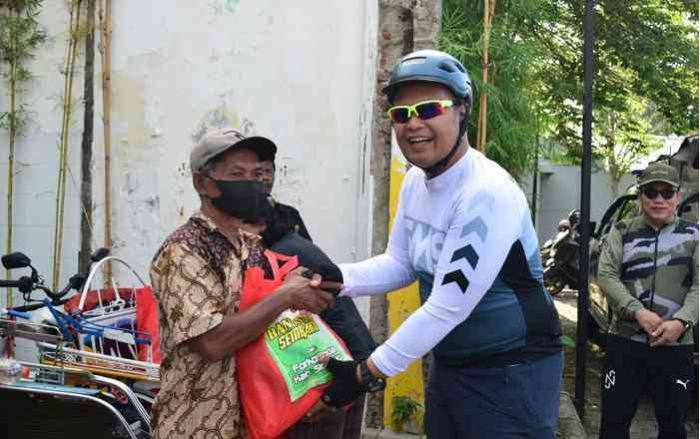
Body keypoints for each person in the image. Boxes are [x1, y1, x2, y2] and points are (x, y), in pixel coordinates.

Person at [323, 50, 563, 438]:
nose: (413, 124)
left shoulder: (485, 193)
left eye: (429, 108)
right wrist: (335, 277)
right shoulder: (418, 181)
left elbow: (446, 307)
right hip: (453, 363)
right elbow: (401, 262)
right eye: (401, 114)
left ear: (462, 109)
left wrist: (366, 372)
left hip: (513, 373)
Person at [149, 128, 337, 439]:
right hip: (195, 424)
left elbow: (272, 320)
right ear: (203, 183)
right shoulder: (184, 249)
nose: (252, 184)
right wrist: (284, 296)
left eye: (256, 174)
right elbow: (212, 343)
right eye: (237, 174)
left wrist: (307, 292)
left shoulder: (249, 246)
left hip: (253, 420)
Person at [257, 143, 375, 439]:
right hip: (347, 366)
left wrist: (349, 380)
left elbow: (332, 307)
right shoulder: (285, 234)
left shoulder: (281, 250)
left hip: (334, 372)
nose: (260, 179)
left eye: (265, 171)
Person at [597, 162, 698, 439]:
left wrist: (680, 321)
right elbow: (606, 275)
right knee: (613, 424)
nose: (659, 199)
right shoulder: (622, 230)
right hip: (625, 343)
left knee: (674, 426)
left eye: (667, 192)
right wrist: (637, 311)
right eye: (651, 192)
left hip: (677, 346)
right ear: (641, 196)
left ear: (677, 197)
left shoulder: (694, 235)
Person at [259, 151, 312, 243]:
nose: (265, 177)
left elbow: (307, 250)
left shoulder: (290, 214)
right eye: (258, 173)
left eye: (268, 171)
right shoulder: (239, 216)